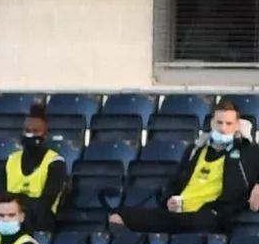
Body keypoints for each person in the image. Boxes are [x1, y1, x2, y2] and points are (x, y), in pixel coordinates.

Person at [110, 100, 259, 235]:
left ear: (237, 125)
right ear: (212, 123)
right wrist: (168, 200)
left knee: (193, 221)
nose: (223, 128)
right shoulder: (195, 150)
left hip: (212, 216)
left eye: (229, 124)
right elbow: (176, 181)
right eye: (219, 123)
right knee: (118, 216)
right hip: (179, 212)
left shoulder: (249, 151)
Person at [0, 104, 66, 233]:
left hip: (39, 222)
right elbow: (1, 195)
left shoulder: (55, 163)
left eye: (35, 131)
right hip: (8, 217)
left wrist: (15, 198)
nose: (30, 135)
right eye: (27, 131)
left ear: (45, 134)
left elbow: (45, 202)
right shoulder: (11, 160)